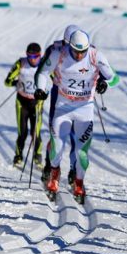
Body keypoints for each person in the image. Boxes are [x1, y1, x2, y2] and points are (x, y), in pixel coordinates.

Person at [34, 29, 118, 204]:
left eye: (83, 51)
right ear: (69, 46)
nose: (79, 55)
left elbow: (114, 77)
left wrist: (104, 82)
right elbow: (42, 72)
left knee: (82, 153)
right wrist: (40, 89)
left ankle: (79, 182)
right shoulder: (59, 54)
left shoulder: (95, 56)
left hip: (84, 110)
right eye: (75, 51)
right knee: (56, 146)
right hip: (63, 108)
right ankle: (54, 174)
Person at [40, 24, 80, 186]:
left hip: (79, 97)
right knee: (55, 133)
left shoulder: (86, 49)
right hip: (59, 95)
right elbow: (43, 69)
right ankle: (50, 166)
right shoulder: (54, 49)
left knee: (76, 135)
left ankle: (74, 169)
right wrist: (41, 88)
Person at [4, 42, 44, 167]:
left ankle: (37, 157)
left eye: (35, 56)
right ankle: (18, 155)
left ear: (40, 55)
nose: (32, 59)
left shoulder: (45, 65)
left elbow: (56, 80)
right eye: (29, 56)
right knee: (23, 131)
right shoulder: (20, 63)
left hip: (37, 103)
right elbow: (7, 81)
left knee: (35, 132)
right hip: (22, 102)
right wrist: (15, 83)